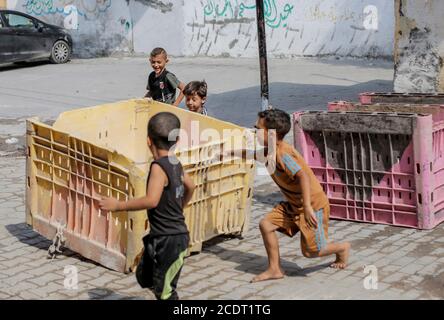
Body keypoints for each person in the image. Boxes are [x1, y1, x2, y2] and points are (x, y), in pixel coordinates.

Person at [225, 108, 351, 283]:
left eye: (257, 129)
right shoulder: (270, 150)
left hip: (312, 205)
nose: (254, 132)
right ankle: (275, 269)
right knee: (266, 225)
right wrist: (228, 152)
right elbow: (253, 154)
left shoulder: (283, 154)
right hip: (293, 203)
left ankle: (342, 249)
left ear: (271, 134)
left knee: (310, 252)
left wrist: (307, 207)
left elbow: (303, 176)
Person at [99, 112, 195, 299]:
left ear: (148, 141)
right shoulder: (175, 162)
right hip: (161, 236)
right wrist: (180, 205)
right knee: (145, 277)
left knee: (166, 292)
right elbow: (191, 186)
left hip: (170, 240)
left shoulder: (158, 167)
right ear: (176, 140)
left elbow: (151, 200)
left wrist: (119, 205)